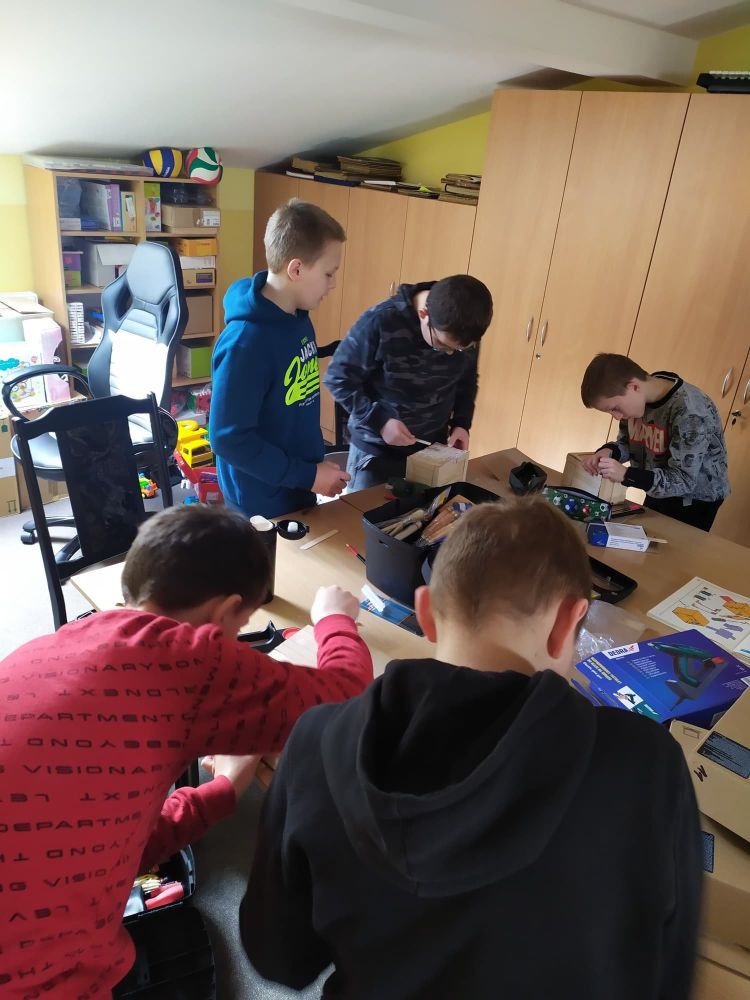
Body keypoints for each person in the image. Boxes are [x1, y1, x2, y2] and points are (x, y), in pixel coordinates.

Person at [240, 500, 702, 1000]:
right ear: (568, 621)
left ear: (425, 614)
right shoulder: (649, 764)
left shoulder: (316, 741)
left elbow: (279, 957)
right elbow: (667, 975)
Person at [0, 504, 372, 999]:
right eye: (241, 626)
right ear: (222, 613)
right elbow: (345, 698)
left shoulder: (55, 645)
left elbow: (113, 838)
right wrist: (334, 620)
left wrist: (220, 791)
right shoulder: (186, 659)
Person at [210, 198, 351, 519]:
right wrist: (308, 475)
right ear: (296, 269)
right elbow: (228, 439)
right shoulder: (245, 344)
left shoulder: (298, 318)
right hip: (261, 500)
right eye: (329, 273)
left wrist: (311, 471)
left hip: (297, 482)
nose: (333, 284)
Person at [324, 274, 493, 491]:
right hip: (376, 453)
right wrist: (380, 421)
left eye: (460, 349)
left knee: (424, 511)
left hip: (431, 453)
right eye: (441, 345)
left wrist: (461, 424)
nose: (450, 354)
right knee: (364, 512)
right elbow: (338, 378)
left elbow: (467, 380)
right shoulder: (381, 321)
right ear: (424, 315)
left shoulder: (464, 326)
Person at [581, 353, 729, 531]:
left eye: (615, 408)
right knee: (647, 537)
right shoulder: (639, 399)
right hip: (656, 484)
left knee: (672, 547)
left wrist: (627, 475)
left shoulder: (691, 411)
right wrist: (608, 452)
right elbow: (628, 443)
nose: (617, 417)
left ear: (634, 386)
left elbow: (684, 480)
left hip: (694, 500)